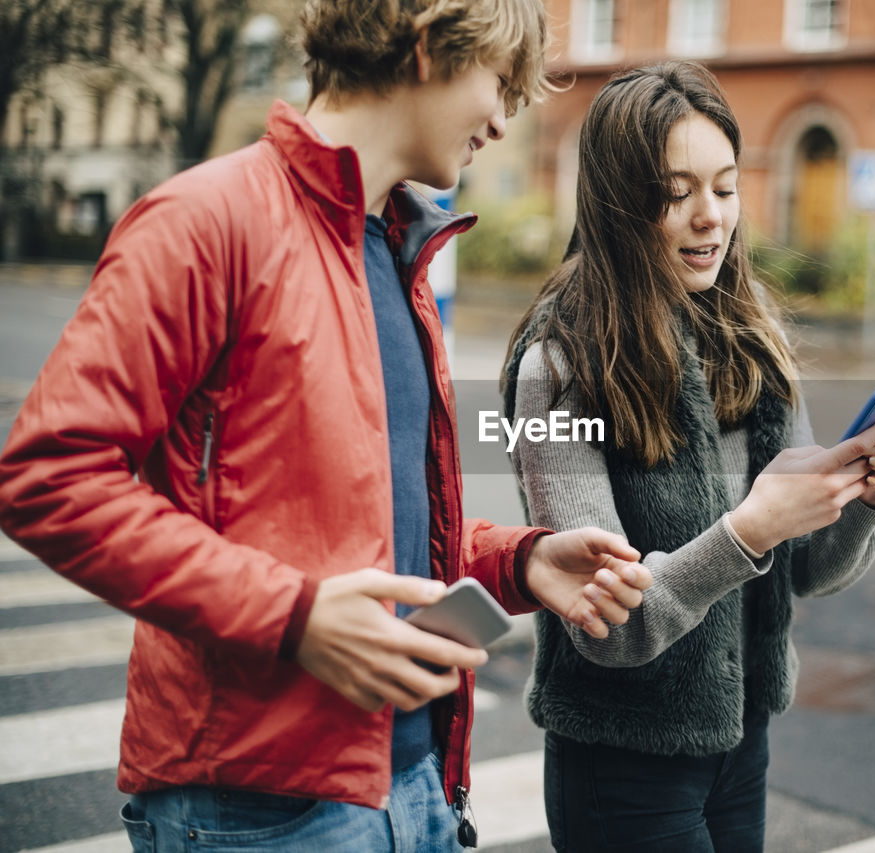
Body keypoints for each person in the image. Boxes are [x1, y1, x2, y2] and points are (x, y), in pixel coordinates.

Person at [0, 1, 653, 851]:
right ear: (428, 46)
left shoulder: (397, 250)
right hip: (253, 808)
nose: (501, 118)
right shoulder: (208, 219)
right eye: (498, 81)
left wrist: (520, 561)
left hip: (414, 785)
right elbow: (47, 476)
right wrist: (294, 615)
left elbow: (362, 529)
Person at [500, 61, 875, 852]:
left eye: (725, 189)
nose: (709, 219)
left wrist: (863, 500)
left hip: (740, 742)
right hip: (620, 762)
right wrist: (749, 531)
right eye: (675, 191)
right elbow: (607, 626)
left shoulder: (749, 337)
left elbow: (806, 571)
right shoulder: (556, 365)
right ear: (620, 202)